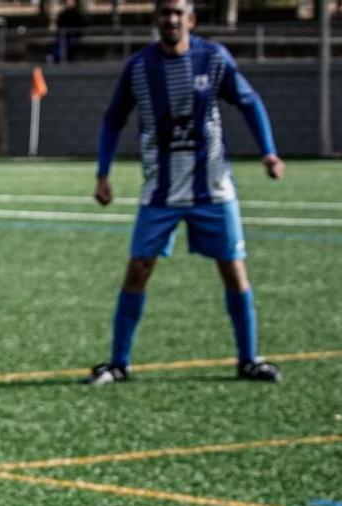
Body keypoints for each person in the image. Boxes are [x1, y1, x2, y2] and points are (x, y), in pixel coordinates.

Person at [87, 0, 284, 386]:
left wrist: (269, 151)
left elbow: (248, 101)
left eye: (179, 12)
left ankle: (249, 359)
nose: (171, 19)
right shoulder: (140, 67)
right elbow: (113, 119)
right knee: (138, 269)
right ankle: (118, 362)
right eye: (165, 12)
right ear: (155, 20)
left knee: (233, 269)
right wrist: (103, 173)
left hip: (212, 189)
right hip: (160, 191)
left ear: (191, 19)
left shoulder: (214, 59)